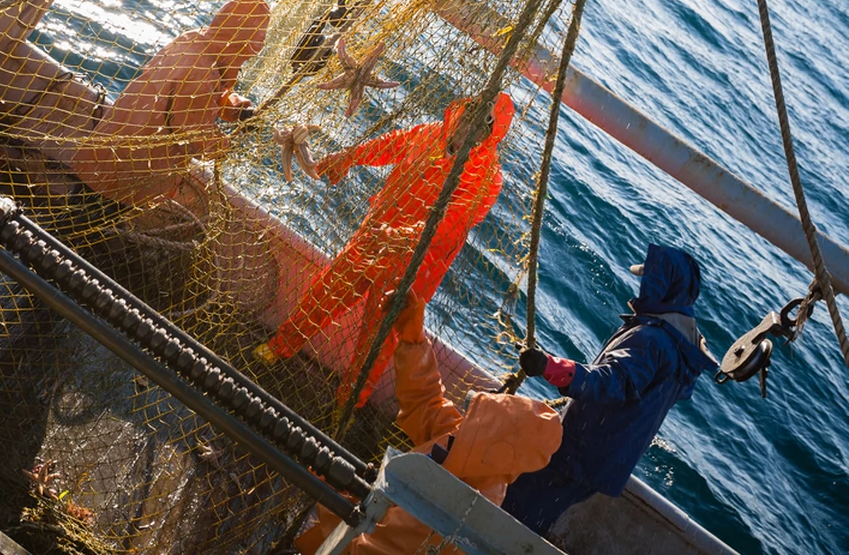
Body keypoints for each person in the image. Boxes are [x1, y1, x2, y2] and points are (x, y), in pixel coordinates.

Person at [255, 92, 514, 407]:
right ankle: (277, 347)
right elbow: (389, 145)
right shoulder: (431, 132)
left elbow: (452, 224)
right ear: (459, 110)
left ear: (491, 135)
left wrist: (405, 236)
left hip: (410, 272)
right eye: (469, 114)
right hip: (372, 238)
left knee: (375, 345)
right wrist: (349, 157)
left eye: (481, 124)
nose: (468, 126)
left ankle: (347, 405)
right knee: (323, 294)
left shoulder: (488, 178)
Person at [292, 295, 562, 554]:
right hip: (352, 521)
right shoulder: (466, 445)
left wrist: (329, 494)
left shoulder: (454, 511)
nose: (466, 419)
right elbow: (426, 402)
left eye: (479, 419)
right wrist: (412, 338)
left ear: (491, 438)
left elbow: (365, 550)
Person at [501, 243, 719, 537]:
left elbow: (613, 381)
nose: (643, 287)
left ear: (662, 286)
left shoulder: (653, 340)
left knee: (513, 511)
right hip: (604, 462)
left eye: (649, 280)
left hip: (579, 452)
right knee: (536, 516)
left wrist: (550, 367)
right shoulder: (683, 347)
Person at [67, 0, 270, 212]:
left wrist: (236, 107)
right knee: (91, 215)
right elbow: (189, 130)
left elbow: (198, 96)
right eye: (254, 44)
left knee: (80, 202)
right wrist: (225, 146)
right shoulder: (203, 72)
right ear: (238, 40)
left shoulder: (194, 41)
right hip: (131, 168)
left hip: (110, 143)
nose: (255, 52)